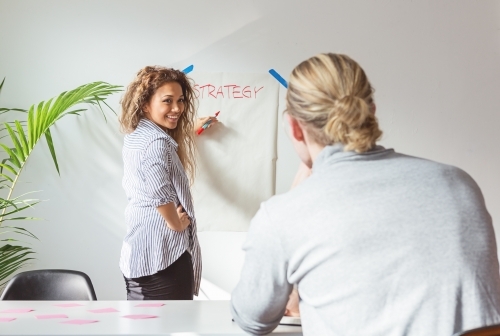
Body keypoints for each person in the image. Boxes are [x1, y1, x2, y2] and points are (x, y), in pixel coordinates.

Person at [230, 53, 500, 335]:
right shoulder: (457, 182)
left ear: (295, 128)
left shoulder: (283, 214)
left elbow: (252, 320)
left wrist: (297, 192)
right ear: (371, 111)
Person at [118, 66, 217, 300]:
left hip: (141, 251)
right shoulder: (157, 144)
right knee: (172, 326)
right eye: (167, 101)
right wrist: (176, 223)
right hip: (164, 256)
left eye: (180, 100)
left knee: (144, 324)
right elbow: (159, 194)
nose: (177, 108)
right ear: (145, 104)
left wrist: (191, 127)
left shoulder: (137, 134)